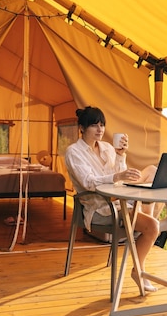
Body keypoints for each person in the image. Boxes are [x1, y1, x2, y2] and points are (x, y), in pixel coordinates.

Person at [64, 106, 161, 292]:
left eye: (102, 125)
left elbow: (118, 175)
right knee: (152, 226)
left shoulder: (108, 147)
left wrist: (120, 155)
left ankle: (140, 224)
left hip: (118, 199)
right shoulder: (74, 152)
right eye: (94, 125)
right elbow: (89, 182)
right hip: (101, 208)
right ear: (82, 128)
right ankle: (138, 270)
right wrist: (117, 177)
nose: (100, 129)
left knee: (152, 172)